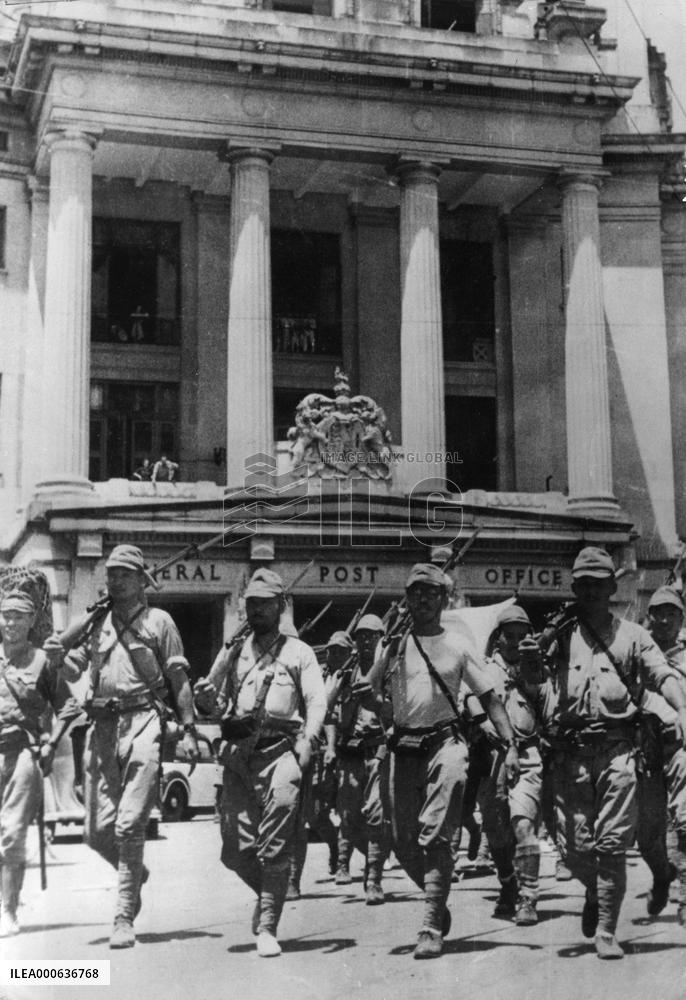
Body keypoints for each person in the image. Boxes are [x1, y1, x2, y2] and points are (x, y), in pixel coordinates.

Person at [519, 547, 686, 960]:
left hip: (618, 750)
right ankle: (596, 890)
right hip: (570, 754)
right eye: (584, 584)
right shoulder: (557, 636)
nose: (591, 591)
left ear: (612, 587)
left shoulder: (633, 636)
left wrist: (682, 708)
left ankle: (608, 930)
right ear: (575, 588)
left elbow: (661, 675)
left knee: (611, 842)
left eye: (599, 583)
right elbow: (534, 686)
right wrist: (527, 665)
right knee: (574, 847)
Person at [358, 563, 519, 959]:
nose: (423, 599)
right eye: (416, 593)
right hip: (401, 749)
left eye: (431, 593)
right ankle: (437, 899)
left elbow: (490, 699)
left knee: (436, 835)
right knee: (402, 842)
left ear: (443, 599)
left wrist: (510, 744)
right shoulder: (392, 648)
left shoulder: (459, 646)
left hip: (446, 745)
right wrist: (368, 700)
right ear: (408, 600)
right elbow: (379, 703)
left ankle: (430, 924)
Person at [46, 545, 199, 949]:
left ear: (140, 580)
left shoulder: (159, 622)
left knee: (130, 823)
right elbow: (76, 667)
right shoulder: (96, 623)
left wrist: (188, 727)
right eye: (110, 575)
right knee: (96, 832)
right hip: (102, 726)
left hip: (144, 721)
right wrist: (59, 658)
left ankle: (123, 915)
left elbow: (179, 680)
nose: (113, 581)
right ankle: (136, 873)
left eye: (122, 575)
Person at [194, 568, 326, 958]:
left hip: (280, 752)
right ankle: (271, 892)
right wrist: (206, 700)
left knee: (276, 842)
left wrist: (309, 739)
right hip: (238, 756)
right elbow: (216, 703)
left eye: (265, 603)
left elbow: (316, 700)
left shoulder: (299, 652)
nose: (257, 611)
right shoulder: (233, 650)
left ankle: (268, 923)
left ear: (281, 606)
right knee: (234, 850)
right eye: (251, 604)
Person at [0, 591, 67, 937]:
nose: (10, 623)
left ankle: (7, 910)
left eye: (18, 616)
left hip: (22, 753)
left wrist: (50, 744)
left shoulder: (42, 661)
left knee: (11, 835)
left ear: (30, 622)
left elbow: (66, 708)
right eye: (5, 615)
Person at [475, 605, 545, 925]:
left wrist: (534, 670)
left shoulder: (537, 669)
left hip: (529, 755)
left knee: (523, 824)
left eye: (522, 636)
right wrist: (480, 725)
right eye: (510, 636)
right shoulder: (483, 669)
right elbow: (467, 701)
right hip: (492, 759)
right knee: (497, 832)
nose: (516, 642)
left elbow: (549, 704)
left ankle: (528, 897)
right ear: (498, 639)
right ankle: (507, 884)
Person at [328, 614, 389, 904]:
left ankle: (374, 878)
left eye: (371, 636)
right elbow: (328, 711)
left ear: (381, 639)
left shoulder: (388, 670)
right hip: (350, 753)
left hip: (378, 749)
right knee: (349, 816)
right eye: (361, 636)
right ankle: (342, 863)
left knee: (376, 815)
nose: (366, 641)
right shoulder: (347, 673)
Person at [638, 585, 686, 925]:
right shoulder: (636, 653)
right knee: (645, 833)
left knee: (685, 820)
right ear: (649, 617)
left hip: (681, 746)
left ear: (681, 618)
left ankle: (685, 897)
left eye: (672, 613)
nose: (665, 619)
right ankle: (662, 875)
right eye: (659, 612)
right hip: (645, 749)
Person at [286, 631, 343, 899]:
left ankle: (294, 879)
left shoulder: (310, 674)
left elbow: (327, 715)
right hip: (271, 753)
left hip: (307, 753)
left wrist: (330, 747)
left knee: (308, 817)